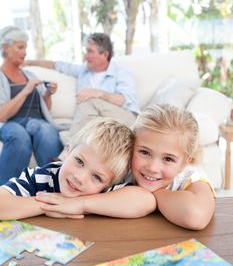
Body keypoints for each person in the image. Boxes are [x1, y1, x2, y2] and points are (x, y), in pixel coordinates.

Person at [36, 104, 215, 230]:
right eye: (144, 152)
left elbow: (195, 216)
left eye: (168, 159)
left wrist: (152, 194)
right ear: (131, 148)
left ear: (185, 162)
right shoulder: (121, 166)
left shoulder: (190, 176)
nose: (152, 168)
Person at [0, 117, 143, 220]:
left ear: (109, 184)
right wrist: (54, 205)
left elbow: (145, 200)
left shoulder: (105, 191)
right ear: (67, 151)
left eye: (97, 177)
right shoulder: (42, 176)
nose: (80, 178)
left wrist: (79, 205)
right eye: (80, 161)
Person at [25, 32, 139, 148]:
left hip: (125, 117)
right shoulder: (83, 71)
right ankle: (72, 154)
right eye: (86, 51)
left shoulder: (121, 72)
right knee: (91, 123)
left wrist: (96, 93)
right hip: (100, 122)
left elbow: (124, 100)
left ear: (104, 55)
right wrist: (29, 62)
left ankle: (67, 150)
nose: (86, 56)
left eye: (90, 51)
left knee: (88, 100)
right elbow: (56, 65)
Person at [0, 26, 63, 185]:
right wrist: (26, 91)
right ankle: (6, 193)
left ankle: (54, 187)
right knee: (19, 136)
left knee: (46, 130)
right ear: (5, 48)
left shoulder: (30, 75)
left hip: (38, 122)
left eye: (25, 48)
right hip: (12, 123)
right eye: (20, 47)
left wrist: (48, 94)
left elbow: (45, 110)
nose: (25, 52)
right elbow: (2, 115)